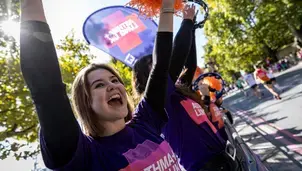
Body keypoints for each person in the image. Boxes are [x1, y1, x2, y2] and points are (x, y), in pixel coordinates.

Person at [20, 0, 181, 170]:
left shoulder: (145, 122)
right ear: (85, 102)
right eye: (99, 85)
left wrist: (168, 7)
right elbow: (46, 86)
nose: (112, 86)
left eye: (115, 80)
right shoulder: (84, 156)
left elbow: (161, 65)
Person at [132, 7, 241, 170]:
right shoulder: (158, 100)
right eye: (151, 65)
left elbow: (188, 64)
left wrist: (193, 30)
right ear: (143, 77)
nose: (159, 65)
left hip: (223, 158)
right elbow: (176, 56)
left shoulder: (176, 90)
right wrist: (187, 22)